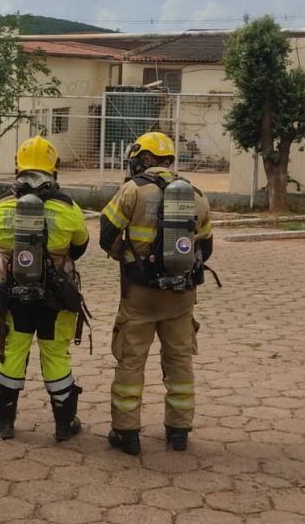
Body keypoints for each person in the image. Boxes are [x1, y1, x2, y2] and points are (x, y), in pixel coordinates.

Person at [99, 131, 214, 455]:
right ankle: (178, 431)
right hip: (180, 298)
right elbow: (206, 248)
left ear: (147, 159)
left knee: (131, 363)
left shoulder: (132, 191)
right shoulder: (197, 194)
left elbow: (106, 236)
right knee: (179, 363)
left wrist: (131, 260)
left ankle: (127, 433)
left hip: (139, 296)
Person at [0, 136, 90, 442]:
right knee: (56, 356)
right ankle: (63, 424)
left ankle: (4, 422)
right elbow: (80, 247)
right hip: (56, 299)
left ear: (18, 168)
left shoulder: (0, 207)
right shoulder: (68, 210)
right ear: (53, 170)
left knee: (11, 354)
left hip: (12, 297)